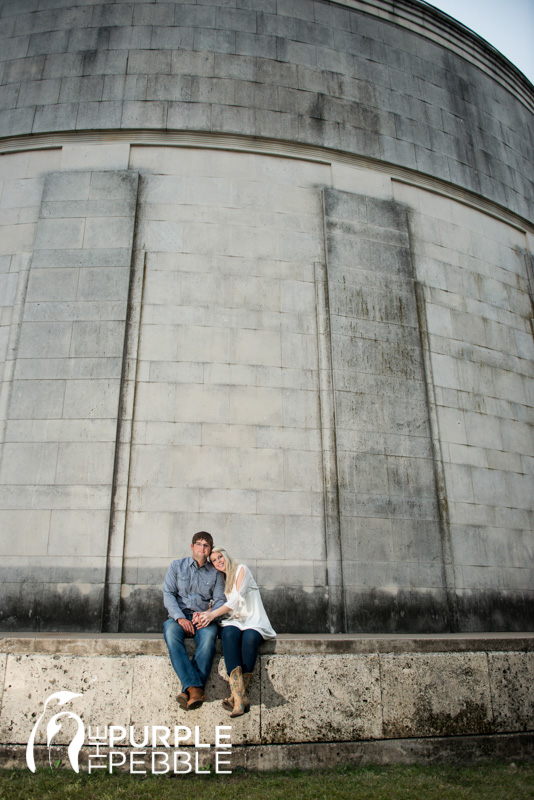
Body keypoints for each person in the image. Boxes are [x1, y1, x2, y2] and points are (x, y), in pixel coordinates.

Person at [197, 546, 276, 717]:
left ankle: (237, 696)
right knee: (229, 634)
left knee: (250, 639)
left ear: (226, 556)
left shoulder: (241, 569)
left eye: (220, 557)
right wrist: (204, 614)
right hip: (234, 621)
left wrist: (211, 615)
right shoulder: (221, 580)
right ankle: (240, 699)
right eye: (214, 561)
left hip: (252, 619)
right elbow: (217, 603)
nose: (218, 562)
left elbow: (236, 599)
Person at [162, 531, 226, 710]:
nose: (202, 548)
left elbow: (221, 600)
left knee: (208, 639)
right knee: (170, 633)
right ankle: (196, 689)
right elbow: (168, 594)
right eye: (199, 544)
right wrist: (180, 618)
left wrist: (208, 615)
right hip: (178, 617)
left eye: (206, 546)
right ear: (192, 546)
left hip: (203, 618)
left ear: (210, 550)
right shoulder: (176, 566)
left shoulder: (215, 573)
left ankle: (187, 690)